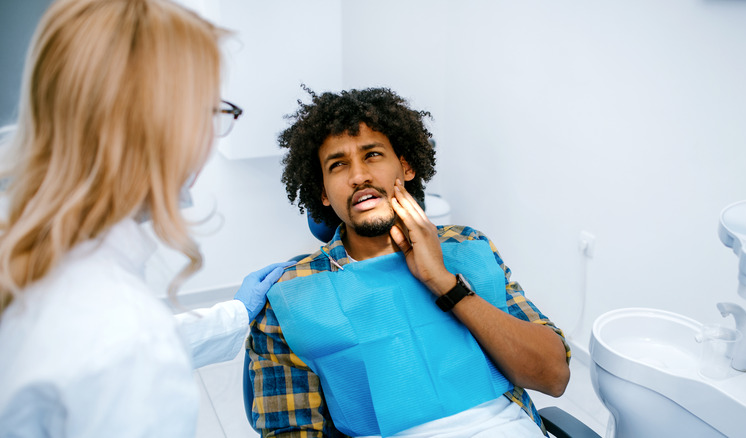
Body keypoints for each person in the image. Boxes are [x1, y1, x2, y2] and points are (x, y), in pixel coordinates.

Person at [0, 0, 285, 436]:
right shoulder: (127, 338)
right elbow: (119, 349)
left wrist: (234, 314)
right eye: (213, 111)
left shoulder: (24, 243)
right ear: (162, 128)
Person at [246, 87, 571, 438]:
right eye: (338, 165)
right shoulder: (290, 298)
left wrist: (445, 283)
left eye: (372, 155)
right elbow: (290, 430)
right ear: (323, 192)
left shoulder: (469, 247)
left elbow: (553, 376)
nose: (358, 176)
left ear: (406, 166)